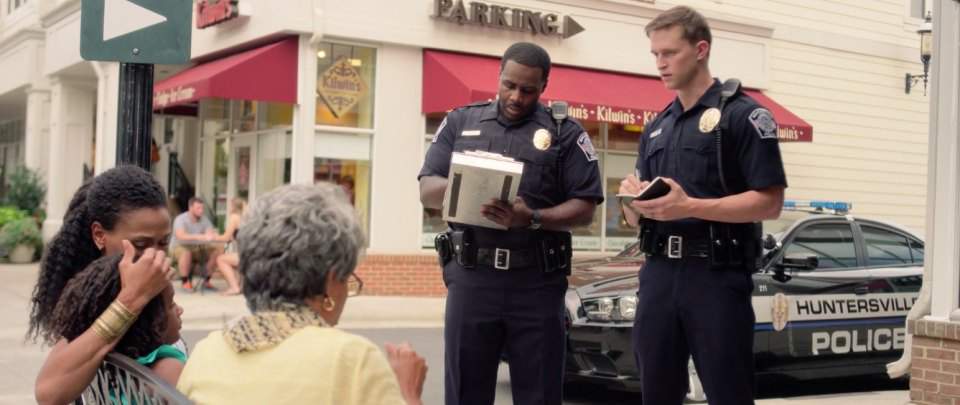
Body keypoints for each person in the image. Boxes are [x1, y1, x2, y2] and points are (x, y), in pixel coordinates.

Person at [418, 42, 603, 405]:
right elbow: (427, 188)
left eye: (528, 90)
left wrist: (532, 217)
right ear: (499, 76)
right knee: (465, 392)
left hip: (535, 284)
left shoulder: (564, 133)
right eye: (509, 85)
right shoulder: (461, 121)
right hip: (473, 280)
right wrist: (467, 184)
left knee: (539, 394)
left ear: (544, 86)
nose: (516, 96)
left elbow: (586, 206)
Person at [619, 6, 787, 405]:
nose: (660, 63)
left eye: (669, 53)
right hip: (658, 274)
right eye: (655, 55)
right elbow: (632, 218)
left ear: (700, 49)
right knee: (656, 392)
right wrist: (632, 200)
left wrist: (690, 206)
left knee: (728, 391)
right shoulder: (657, 126)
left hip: (715, 276)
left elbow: (770, 202)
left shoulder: (743, 115)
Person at [177, 183, 428, 405]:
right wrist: (408, 393)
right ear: (330, 282)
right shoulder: (352, 361)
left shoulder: (207, 352)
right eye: (347, 278)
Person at [28, 165, 173, 405]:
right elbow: (49, 393)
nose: (154, 256)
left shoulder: (159, 289)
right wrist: (132, 299)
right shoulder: (95, 303)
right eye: (141, 244)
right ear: (99, 235)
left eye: (164, 242)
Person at [49, 254, 185, 386]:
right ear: (150, 322)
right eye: (171, 304)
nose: (180, 310)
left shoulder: (103, 366)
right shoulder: (169, 368)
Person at [171, 197, 221, 290]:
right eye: (198, 208)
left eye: (202, 208)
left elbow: (210, 232)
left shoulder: (204, 219)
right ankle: (185, 282)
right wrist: (200, 236)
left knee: (216, 252)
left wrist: (212, 234)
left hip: (198, 247)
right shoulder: (180, 219)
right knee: (186, 252)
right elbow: (181, 236)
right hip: (179, 246)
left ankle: (206, 280)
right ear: (190, 208)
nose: (201, 211)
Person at [214, 197, 245, 295]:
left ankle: (234, 288)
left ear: (232, 206)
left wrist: (212, 237)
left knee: (220, 259)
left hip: (247, 255)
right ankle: (240, 286)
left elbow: (226, 238)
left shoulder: (234, 217)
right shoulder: (244, 217)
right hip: (252, 252)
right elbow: (233, 236)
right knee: (229, 257)